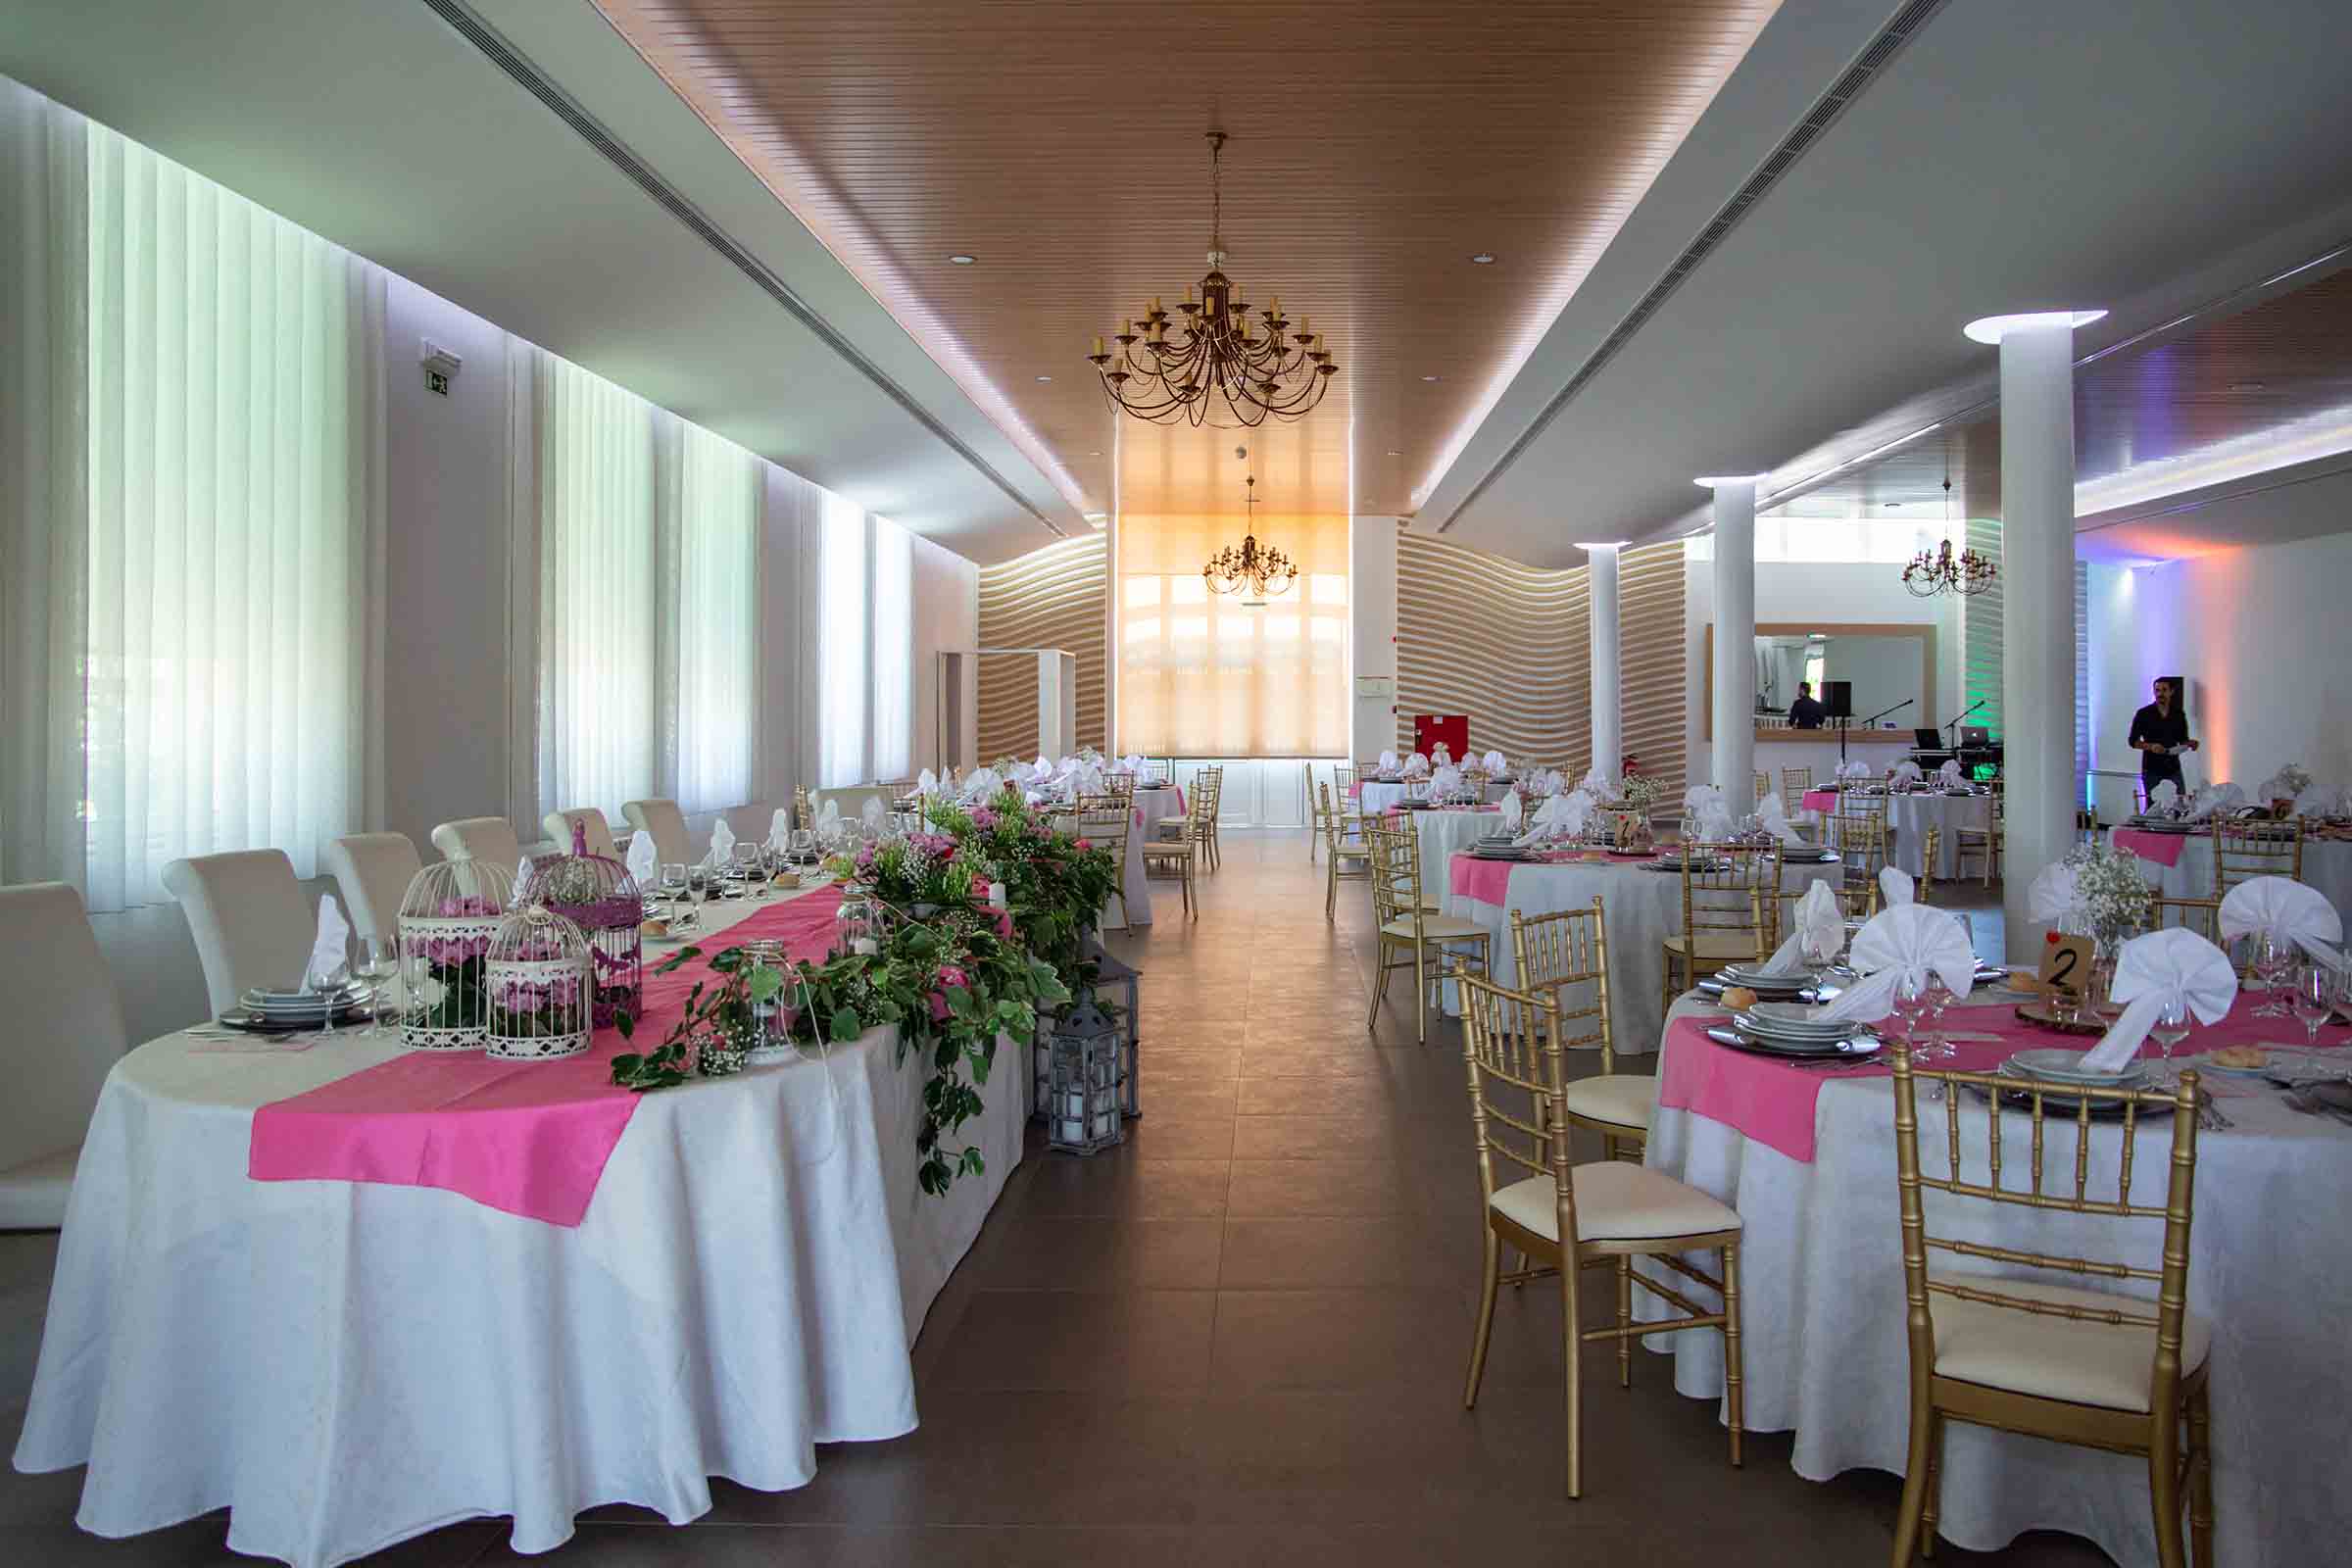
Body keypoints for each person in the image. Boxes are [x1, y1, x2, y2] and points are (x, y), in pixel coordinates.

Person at [2128, 676, 2198, 798]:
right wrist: (2150, 746)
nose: (2160, 694)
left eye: (2164, 690)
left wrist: (2190, 743)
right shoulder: (2143, 714)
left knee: (2179, 803)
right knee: (2154, 806)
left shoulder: (2178, 714)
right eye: (2157, 690)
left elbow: (2182, 739)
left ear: (2171, 692)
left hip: (2173, 768)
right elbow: (2133, 741)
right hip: (2151, 769)